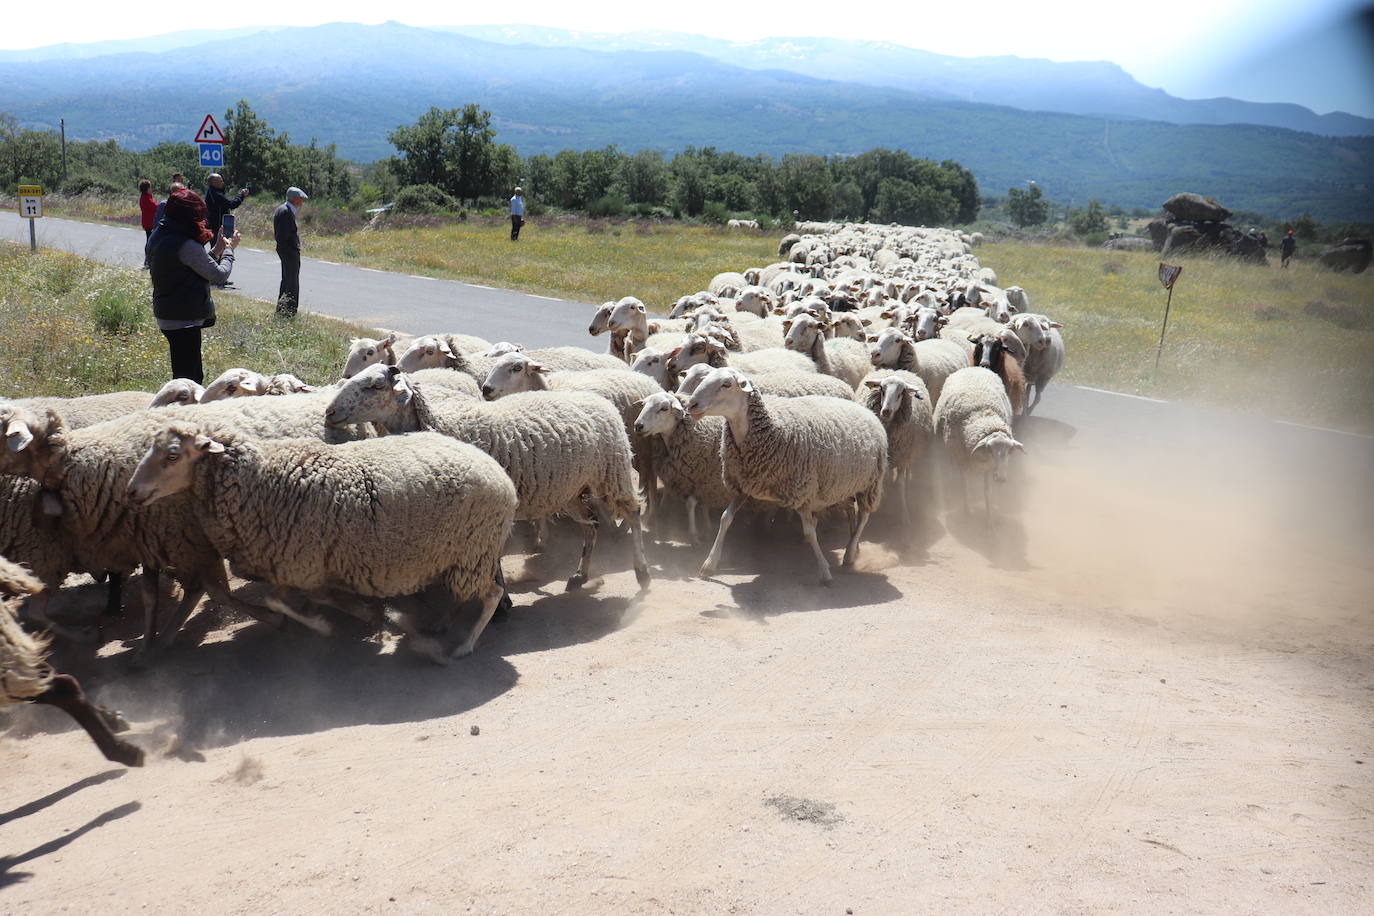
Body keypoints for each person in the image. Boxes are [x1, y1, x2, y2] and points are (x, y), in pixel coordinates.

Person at [145, 188, 239, 384]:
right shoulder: (184, 243)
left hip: (169, 313)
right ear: (188, 214)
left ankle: (182, 409)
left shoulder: (160, 233)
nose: (201, 219)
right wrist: (229, 251)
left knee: (186, 376)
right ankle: (181, 413)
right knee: (189, 381)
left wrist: (218, 249)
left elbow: (193, 267)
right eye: (198, 213)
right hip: (183, 319)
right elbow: (218, 275)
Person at [273, 186, 307, 316]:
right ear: (294, 199)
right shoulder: (285, 211)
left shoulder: (284, 209)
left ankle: (282, 310)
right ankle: (288, 312)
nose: (302, 202)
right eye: (300, 199)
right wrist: (290, 251)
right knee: (291, 283)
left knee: (287, 281)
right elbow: (282, 237)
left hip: (288, 252)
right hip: (289, 252)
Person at [204, 173, 249, 239]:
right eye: (220, 180)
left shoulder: (211, 191)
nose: (222, 182)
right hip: (216, 227)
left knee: (218, 247)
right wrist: (241, 195)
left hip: (213, 225)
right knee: (218, 247)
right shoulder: (216, 194)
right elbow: (231, 205)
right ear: (214, 182)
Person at [138, 179, 157, 268]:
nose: (151, 189)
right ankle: (148, 261)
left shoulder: (145, 196)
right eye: (150, 187)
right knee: (150, 241)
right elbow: (155, 207)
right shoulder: (146, 198)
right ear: (147, 188)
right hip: (149, 222)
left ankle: (148, 260)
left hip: (147, 222)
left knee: (149, 240)